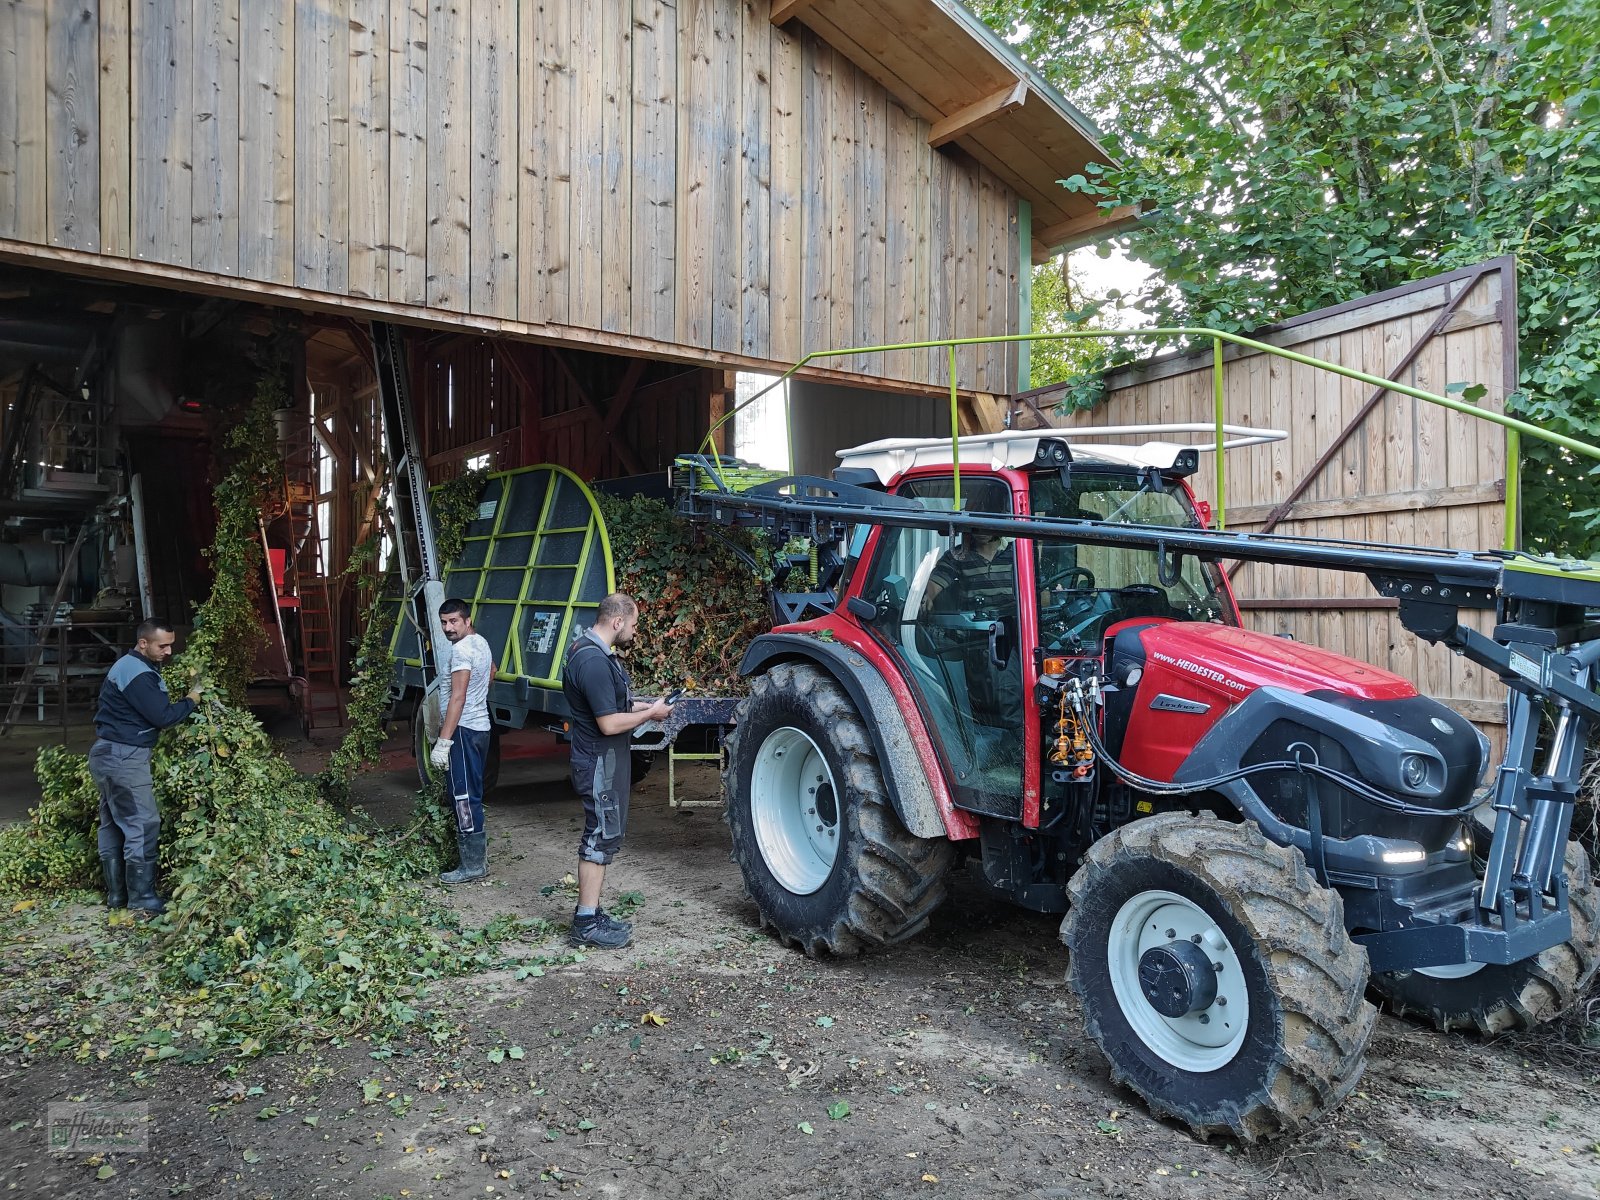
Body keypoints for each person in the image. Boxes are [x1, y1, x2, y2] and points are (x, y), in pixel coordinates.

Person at [560, 593, 673, 949]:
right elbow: (608, 723)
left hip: (602, 763)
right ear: (617, 621)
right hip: (598, 764)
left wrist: (644, 704)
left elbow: (611, 703)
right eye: (635, 624)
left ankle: (591, 912)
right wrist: (650, 715)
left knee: (604, 834)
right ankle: (585, 922)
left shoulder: (590, 652)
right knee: (598, 837)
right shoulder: (592, 661)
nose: (635, 632)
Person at [89, 619, 202, 916]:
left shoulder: (132, 666)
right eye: (162, 645)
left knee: (114, 823)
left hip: (107, 753)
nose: (168, 651)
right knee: (142, 823)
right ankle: (142, 897)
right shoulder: (138, 673)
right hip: (125, 757)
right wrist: (191, 699)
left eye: (171, 645)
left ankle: (117, 896)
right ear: (143, 643)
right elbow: (162, 716)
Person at [429, 598, 495, 884]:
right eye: (444, 622)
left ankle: (472, 865)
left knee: (464, 796)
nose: (448, 627)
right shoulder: (481, 642)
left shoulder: (461, 651)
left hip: (464, 731)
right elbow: (492, 671)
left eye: (454, 621)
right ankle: (474, 859)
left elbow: (458, 696)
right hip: (480, 727)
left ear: (467, 620)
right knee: (472, 791)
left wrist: (444, 742)